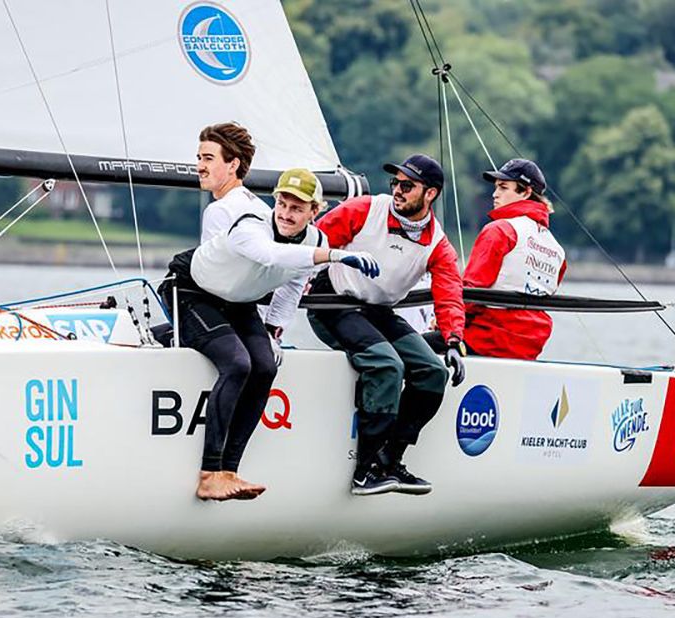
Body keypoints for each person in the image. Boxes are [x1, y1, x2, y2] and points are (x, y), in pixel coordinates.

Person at [162, 159, 380, 502]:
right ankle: (209, 474)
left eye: (297, 208)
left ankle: (229, 471)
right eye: (282, 204)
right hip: (192, 292)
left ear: (314, 211)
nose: (286, 213)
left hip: (237, 301)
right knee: (237, 364)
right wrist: (334, 256)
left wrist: (271, 331)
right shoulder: (252, 225)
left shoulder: (315, 238)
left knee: (265, 365)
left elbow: (292, 287)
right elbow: (272, 256)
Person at [308, 154, 466, 497]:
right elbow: (310, 242)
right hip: (333, 304)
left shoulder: (437, 243)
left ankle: (390, 461)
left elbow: (449, 292)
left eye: (407, 185)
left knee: (432, 372)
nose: (397, 190)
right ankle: (363, 471)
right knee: (387, 365)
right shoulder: (364, 210)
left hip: (377, 311)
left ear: (430, 194)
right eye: (395, 182)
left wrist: (453, 341)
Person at [462, 158, 567, 360]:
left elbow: (471, 291)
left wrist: (443, 323)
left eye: (503, 187)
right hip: (528, 349)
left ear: (526, 192)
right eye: (495, 187)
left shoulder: (499, 230)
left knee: (409, 351)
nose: (495, 194)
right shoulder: (558, 251)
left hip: (484, 342)